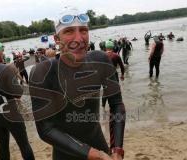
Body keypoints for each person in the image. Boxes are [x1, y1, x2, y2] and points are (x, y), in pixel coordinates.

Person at [29, 7, 125, 160]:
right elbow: (45, 129)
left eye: (83, 30)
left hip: (98, 142)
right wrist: (90, 153)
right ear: (56, 39)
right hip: (65, 153)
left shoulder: (101, 60)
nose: (79, 38)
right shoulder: (43, 73)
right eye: (69, 31)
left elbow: (116, 104)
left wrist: (117, 149)